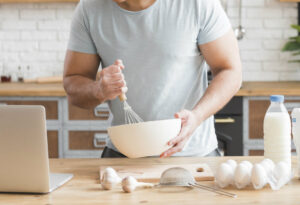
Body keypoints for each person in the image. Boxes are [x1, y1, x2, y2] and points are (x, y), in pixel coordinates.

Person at [63, 0, 242, 158]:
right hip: (123, 157)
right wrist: (98, 90)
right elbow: (73, 83)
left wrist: (197, 116)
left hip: (194, 156)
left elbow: (230, 71)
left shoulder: (197, 3)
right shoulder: (89, 8)